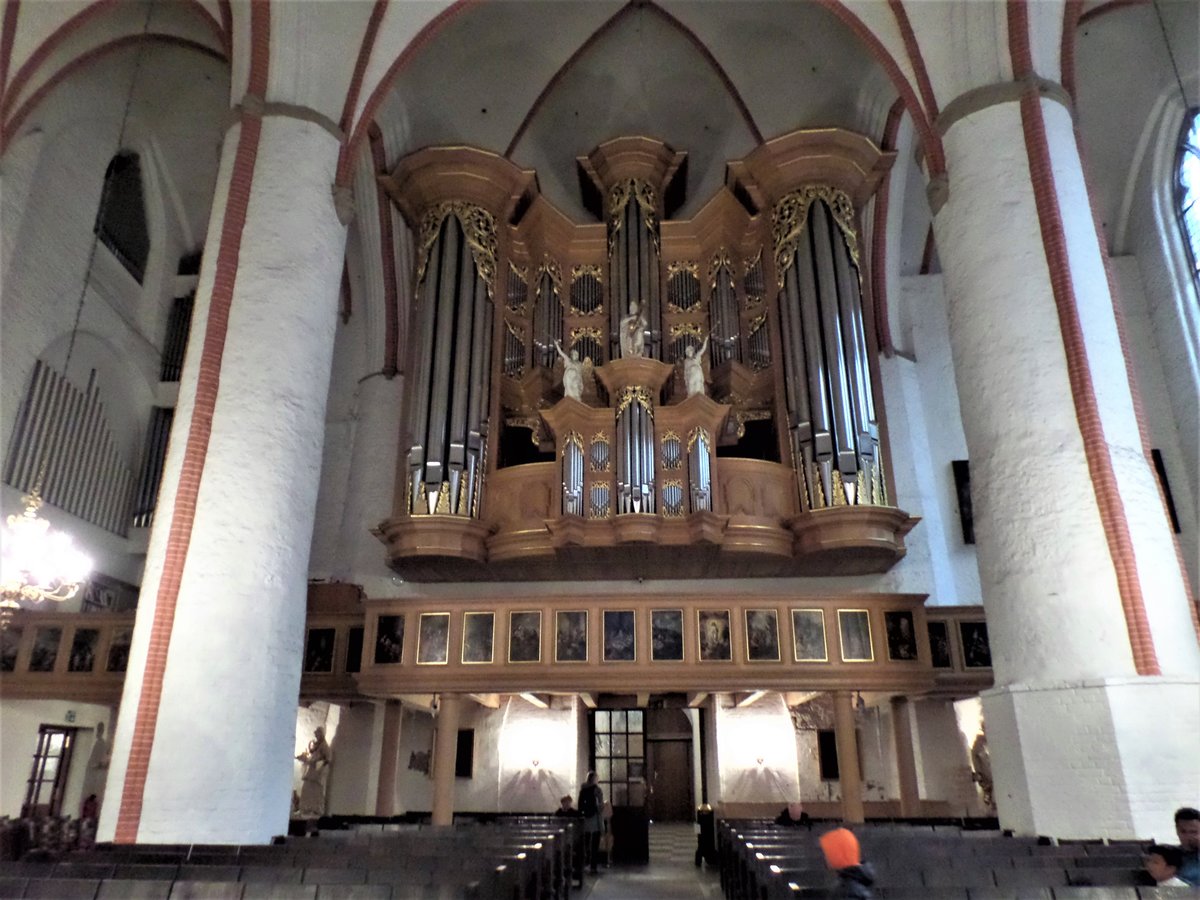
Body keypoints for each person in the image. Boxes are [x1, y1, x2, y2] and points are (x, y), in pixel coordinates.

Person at [819, 827, 875, 899]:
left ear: (837, 855)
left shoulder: (849, 890)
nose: (825, 858)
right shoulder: (854, 883)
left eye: (827, 853)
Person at [296, 726, 332, 817]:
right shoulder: (318, 746)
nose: (316, 736)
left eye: (317, 734)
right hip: (312, 771)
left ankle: (315, 809)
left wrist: (319, 765)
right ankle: (305, 808)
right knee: (307, 788)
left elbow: (328, 758)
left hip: (317, 773)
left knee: (315, 790)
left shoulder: (324, 746)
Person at [577, 770, 604, 874]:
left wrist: (582, 814)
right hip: (595, 818)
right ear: (594, 779)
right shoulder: (597, 790)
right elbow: (600, 805)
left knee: (586, 843)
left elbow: (580, 805)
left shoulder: (583, 790)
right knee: (594, 843)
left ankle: (585, 864)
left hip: (585, 819)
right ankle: (593, 866)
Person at [1176, 806, 1200, 886]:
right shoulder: (1171, 856)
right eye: (1183, 832)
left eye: (1193, 832)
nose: (1188, 836)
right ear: (1177, 831)